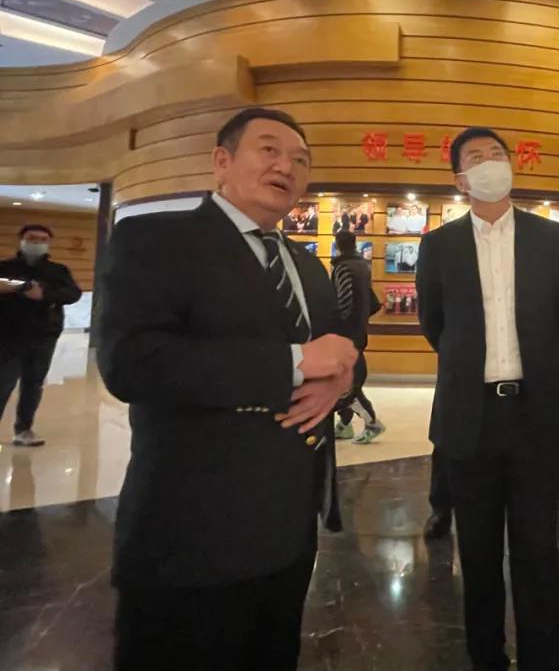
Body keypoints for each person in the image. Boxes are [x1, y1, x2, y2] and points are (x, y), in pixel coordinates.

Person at [97, 106, 358, 671]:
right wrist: (293, 362)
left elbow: (339, 349)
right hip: (193, 534)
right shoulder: (156, 240)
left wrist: (342, 378)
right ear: (221, 161)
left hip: (289, 529)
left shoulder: (306, 265)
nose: (286, 166)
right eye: (269, 150)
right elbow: (132, 363)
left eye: (301, 160)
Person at [416, 126, 559, 671]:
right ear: (461, 179)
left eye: (496, 154)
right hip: (470, 416)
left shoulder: (548, 237)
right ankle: (486, 658)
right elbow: (434, 324)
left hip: (534, 412)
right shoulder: (439, 245)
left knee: (537, 550)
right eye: (475, 157)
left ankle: (545, 659)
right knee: (478, 554)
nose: (489, 162)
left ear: (511, 165)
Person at [0, 224, 82, 446]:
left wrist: (44, 294)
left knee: (33, 385)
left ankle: (23, 430)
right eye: (32, 238)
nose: (37, 242)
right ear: (21, 240)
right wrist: (16, 287)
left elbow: (73, 293)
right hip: (7, 336)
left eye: (42, 239)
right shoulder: (5, 267)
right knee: (3, 383)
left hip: (43, 336)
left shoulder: (58, 270)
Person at [331, 230, 387, 444]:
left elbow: (342, 304)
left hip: (345, 336)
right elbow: (373, 303)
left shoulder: (342, 267)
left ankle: (372, 423)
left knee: (346, 385)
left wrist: (333, 327)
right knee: (347, 380)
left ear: (337, 245)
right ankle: (344, 424)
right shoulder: (363, 266)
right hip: (359, 333)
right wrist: (361, 320)